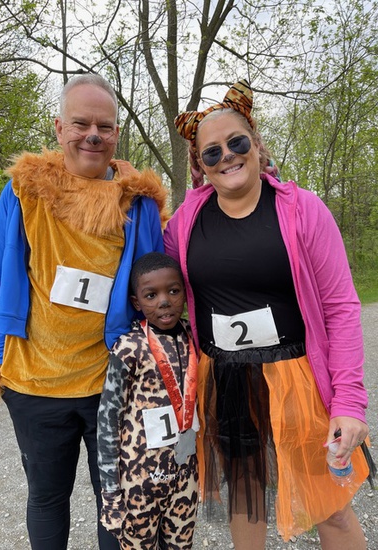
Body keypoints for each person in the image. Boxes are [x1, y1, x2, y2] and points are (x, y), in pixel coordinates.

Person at [163, 79, 375, 549]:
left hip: (296, 380)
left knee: (330, 507)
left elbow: (341, 308)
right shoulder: (185, 222)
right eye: (212, 152)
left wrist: (348, 402)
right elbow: (155, 282)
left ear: (256, 144)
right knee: (246, 499)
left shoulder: (304, 210)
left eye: (236, 143)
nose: (227, 156)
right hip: (225, 380)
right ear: (200, 164)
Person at [0, 73, 169, 550]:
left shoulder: (139, 203)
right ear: (59, 127)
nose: (93, 135)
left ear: (117, 134)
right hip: (34, 382)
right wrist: (0, 355)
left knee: (117, 498)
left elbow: (156, 288)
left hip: (113, 383)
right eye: (81, 124)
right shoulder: (24, 191)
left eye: (104, 127)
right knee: (47, 497)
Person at [97, 252, 199, 549]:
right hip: (139, 478)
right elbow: (108, 421)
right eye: (151, 295)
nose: (164, 301)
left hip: (185, 473)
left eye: (173, 291)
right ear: (137, 302)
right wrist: (111, 493)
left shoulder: (193, 338)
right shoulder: (128, 347)